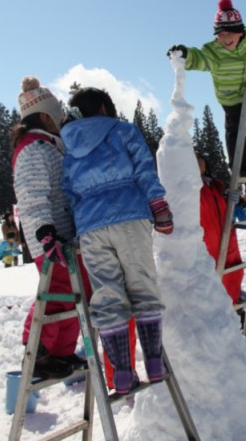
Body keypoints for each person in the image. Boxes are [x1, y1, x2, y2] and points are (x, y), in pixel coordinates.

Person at [61, 87, 173, 395]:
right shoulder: (123, 131)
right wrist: (159, 206)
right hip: (129, 216)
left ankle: (122, 373)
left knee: (107, 294)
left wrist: (78, 226)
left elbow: (68, 189)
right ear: (103, 108)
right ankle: (153, 363)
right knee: (142, 285)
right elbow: (144, 170)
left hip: (91, 227)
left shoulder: (69, 144)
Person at [11, 77, 92, 380]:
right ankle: (38, 349)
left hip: (63, 235)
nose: (61, 121)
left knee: (76, 290)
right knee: (58, 290)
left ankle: (61, 352)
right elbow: (32, 196)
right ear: (44, 116)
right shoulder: (32, 147)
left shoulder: (48, 144)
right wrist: (45, 233)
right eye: (57, 116)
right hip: (48, 236)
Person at [168, 0, 246, 177]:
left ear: (240, 32)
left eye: (229, 34)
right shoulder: (213, 52)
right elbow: (198, 58)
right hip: (229, 97)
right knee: (235, 131)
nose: (225, 39)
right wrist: (184, 53)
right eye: (220, 34)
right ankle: (242, 167)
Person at [196, 153, 244, 305]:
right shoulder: (188, 189)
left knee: (233, 274)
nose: (196, 164)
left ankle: (237, 314)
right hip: (206, 246)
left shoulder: (218, 186)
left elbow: (242, 211)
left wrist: (232, 201)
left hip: (228, 241)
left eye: (199, 161)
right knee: (210, 283)